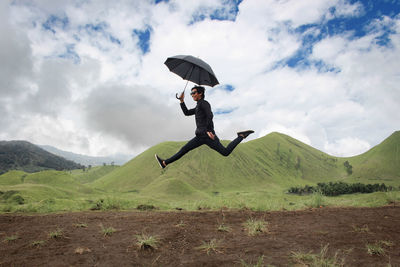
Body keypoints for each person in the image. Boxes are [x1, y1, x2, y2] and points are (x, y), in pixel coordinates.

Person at [155, 85, 254, 169]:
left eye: (194, 93)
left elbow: (210, 115)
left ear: (200, 93)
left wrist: (208, 131)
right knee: (184, 149)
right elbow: (186, 112)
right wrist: (181, 101)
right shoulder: (198, 106)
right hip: (200, 136)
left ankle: (241, 136)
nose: (192, 95)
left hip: (207, 135)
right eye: (191, 93)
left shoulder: (204, 103)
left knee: (225, 152)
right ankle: (164, 163)